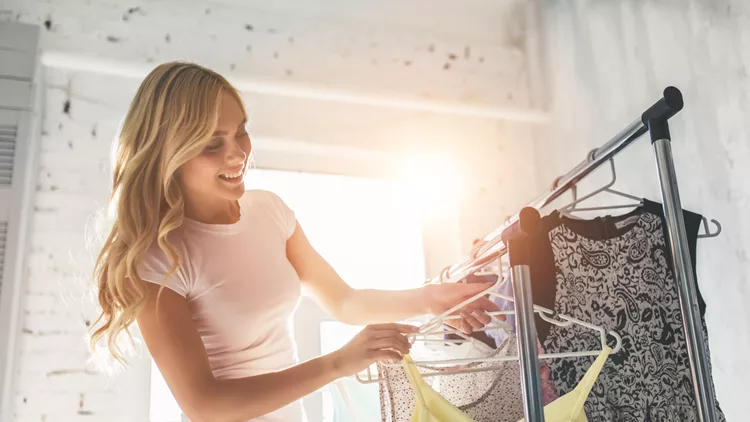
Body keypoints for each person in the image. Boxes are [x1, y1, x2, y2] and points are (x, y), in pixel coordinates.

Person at [87, 61, 499, 422]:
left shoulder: (269, 212)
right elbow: (205, 406)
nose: (237, 155)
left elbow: (344, 301)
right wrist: (338, 363)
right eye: (213, 144)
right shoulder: (159, 259)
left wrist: (431, 299)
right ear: (169, 153)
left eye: (241, 133)